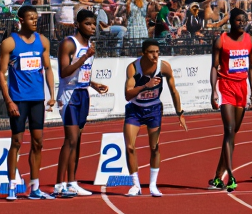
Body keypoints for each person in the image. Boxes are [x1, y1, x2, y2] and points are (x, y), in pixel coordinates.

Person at [0, 5, 57, 201]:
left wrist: (51, 94)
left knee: (38, 142)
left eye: (36, 18)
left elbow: (48, 68)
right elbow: (0, 74)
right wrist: (8, 101)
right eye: (31, 18)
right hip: (18, 100)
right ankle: (12, 185)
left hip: (37, 99)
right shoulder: (9, 43)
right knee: (16, 141)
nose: (35, 21)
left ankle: (35, 187)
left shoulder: (43, 41)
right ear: (21, 20)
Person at [55, 10, 110, 198]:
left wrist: (92, 84)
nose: (92, 27)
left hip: (83, 93)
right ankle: (59, 184)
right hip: (69, 95)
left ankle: (72, 182)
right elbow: (64, 72)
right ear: (78, 24)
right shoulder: (69, 43)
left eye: (94, 24)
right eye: (88, 24)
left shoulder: (89, 45)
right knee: (70, 139)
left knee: (77, 141)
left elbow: (81, 73)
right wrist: (85, 56)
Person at [122, 39, 187, 197]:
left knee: (154, 147)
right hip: (135, 109)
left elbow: (173, 90)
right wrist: (146, 86)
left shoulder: (163, 67)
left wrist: (180, 113)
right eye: (152, 52)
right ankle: (136, 185)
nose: (155, 55)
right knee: (130, 146)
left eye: (157, 52)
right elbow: (127, 95)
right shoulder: (133, 68)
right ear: (143, 53)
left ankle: (152, 185)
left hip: (154, 109)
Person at [208, 8, 252, 193]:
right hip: (226, 86)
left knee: (233, 134)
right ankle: (230, 174)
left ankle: (217, 177)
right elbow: (214, 67)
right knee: (228, 131)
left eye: (244, 20)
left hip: (241, 88)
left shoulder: (251, 41)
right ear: (231, 22)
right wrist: (213, 91)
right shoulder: (221, 40)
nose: (242, 23)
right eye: (238, 20)